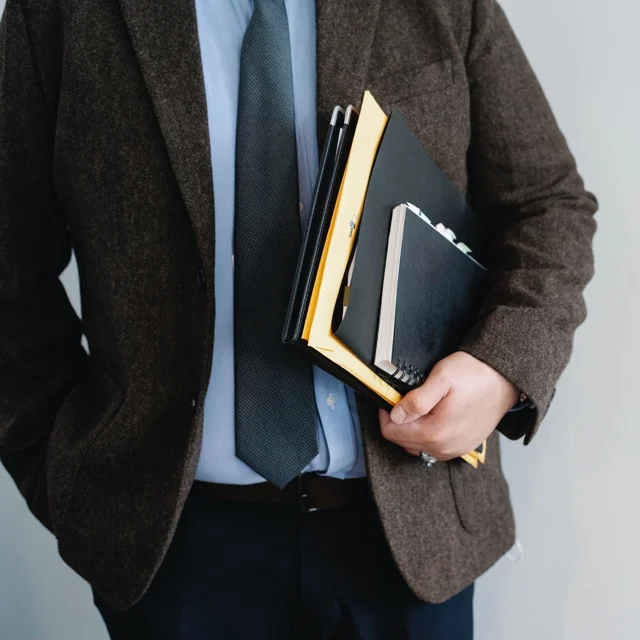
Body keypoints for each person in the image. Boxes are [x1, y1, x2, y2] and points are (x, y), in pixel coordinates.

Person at [0, 0, 597, 638]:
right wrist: (67, 479)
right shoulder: (60, 13)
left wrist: (503, 368)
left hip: (410, 537)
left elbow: (546, 205)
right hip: (171, 551)